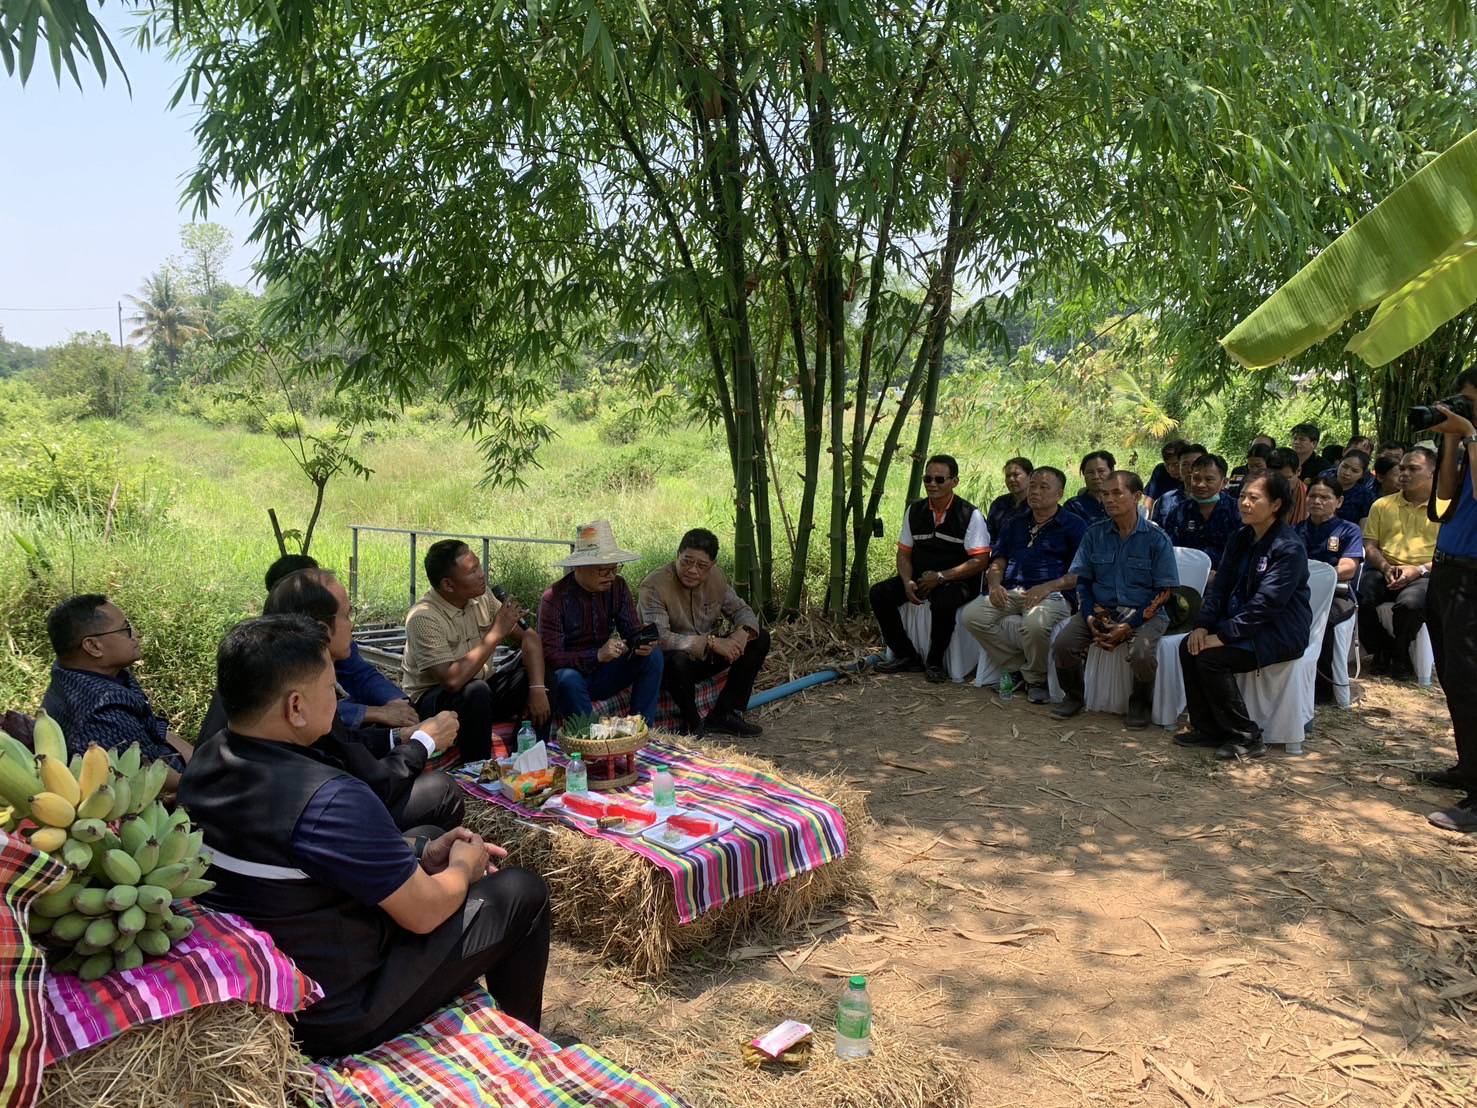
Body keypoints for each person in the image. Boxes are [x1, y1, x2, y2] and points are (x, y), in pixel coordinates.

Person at [180, 614, 550, 1058]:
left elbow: (314, 863)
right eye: (330, 688)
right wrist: (462, 868)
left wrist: (422, 853)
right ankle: (527, 1046)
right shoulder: (326, 798)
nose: (337, 699)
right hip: (335, 1009)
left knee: (428, 834)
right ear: (295, 707)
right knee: (521, 892)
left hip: (275, 971)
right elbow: (425, 913)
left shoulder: (205, 762)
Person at [1174, 473, 1312, 761]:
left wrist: (1222, 636)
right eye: (1242, 497)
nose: (1245, 504)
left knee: (1212, 659)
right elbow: (1220, 587)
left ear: (1275, 505)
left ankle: (1246, 736)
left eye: (1254, 498)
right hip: (1238, 625)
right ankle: (1208, 728)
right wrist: (1202, 626)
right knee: (1189, 647)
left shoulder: (1288, 547)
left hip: (1277, 631)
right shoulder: (1240, 536)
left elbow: (1266, 606)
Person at [1051, 471, 1179, 727]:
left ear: (1137, 497)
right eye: (1104, 494)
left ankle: (1140, 703)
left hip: (1146, 613)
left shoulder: (1156, 538)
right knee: (1064, 643)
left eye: (1117, 493)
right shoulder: (1094, 534)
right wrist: (1088, 616)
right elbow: (1084, 581)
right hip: (1100, 609)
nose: (1109, 499)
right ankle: (1074, 696)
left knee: (1142, 653)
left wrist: (1129, 626)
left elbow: (1165, 591)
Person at [402, 540, 550, 761]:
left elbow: (529, 637)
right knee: (475, 691)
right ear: (448, 585)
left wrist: (537, 688)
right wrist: (496, 633)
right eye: (472, 571)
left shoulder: (484, 597)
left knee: (541, 674)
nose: (482, 575)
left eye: (479, 566)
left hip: (482, 689)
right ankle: (478, 768)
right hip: (436, 701)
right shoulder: (423, 617)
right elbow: (451, 681)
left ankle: (530, 761)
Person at [41, 595, 194, 796]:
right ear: (93, 647)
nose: (135, 634)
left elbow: (153, 728)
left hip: (168, 761)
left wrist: (200, 759)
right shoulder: (99, 712)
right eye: (125, 629)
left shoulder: (84, 672)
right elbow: (159, 780)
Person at [960, 467, 1085, 703]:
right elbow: (998, 560)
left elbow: (1080, 573)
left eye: (1043, 487)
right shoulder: (1015, 523)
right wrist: (995, 584)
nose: (1035, 491)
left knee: (1034, 624)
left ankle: (1036, 680)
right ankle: (1019, 667)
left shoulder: (1074, 525)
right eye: (1033, 485)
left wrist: (1047, 587)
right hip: (1012, 590)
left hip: (1053, 594)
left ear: (1059, 494)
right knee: (971, 615)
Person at [871, 455, 991, 682]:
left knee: (944, 600)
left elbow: (980, 561)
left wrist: (942, 577)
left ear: (954, 481)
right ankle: (907, 655)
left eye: (939, 479)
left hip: (958, 579)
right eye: (928, 479)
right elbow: (904, 552)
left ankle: (935, 661)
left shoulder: (969, 514)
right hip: (921, 575)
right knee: (879, 594)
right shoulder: (914, 511)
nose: (932, 484)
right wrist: (907, 580)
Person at [265, 554, 420, 731]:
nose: (352, 625)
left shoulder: (332, 641)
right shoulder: (273, 659)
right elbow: (311, 711)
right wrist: (376, 713)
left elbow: (360, 674)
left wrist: (399, 702)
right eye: (346, 615)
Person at [639, 528, 770, 737]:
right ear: (677, 556)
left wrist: (742, 633)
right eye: (686, 562)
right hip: (669, 666)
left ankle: (724, 714)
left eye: (701, 566)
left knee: (760, 638)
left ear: (712, 566)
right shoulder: (654, 585)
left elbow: (742, 610)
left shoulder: (716, 578)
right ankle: (692, 723)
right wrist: (711, 643)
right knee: (677, 660)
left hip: (703, 659)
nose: (692, 570)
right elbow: (660, 638)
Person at [539, 520, 663, 724]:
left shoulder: (618, 586)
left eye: (615, 568)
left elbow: (631, 630)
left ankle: (641, 727)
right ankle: (590, 737)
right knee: (566, 678)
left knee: (653, 656)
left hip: (605, 673)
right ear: (580, 567)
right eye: (603, 570)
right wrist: (596, 655)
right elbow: (551, 657)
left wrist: (642, 641)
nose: (611, 576)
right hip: (573, 677)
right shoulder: (554, 599)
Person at [1423, 369, 1477, 831]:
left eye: (1470, 402)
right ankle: (1467, 766)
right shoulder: (1467, 444)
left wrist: (1472, 437)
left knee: (1472, 679)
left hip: (1474, 577)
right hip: (1447, 565)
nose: (1464, 410)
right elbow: (1442, 500)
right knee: (1454, 676)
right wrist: (1452, 444)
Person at [1358, 448, 1444, 681]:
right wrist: (1385, 568)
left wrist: (1418, 570)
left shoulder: (1444, 508)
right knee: (1360, 596)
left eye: (1413, 469)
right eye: (1402, 468)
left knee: (1409, 605)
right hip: (1384, 568)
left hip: (1424, 573)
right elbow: (1370, 545)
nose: (1404, 474)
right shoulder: (1382, 505)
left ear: (1432, 473)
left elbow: (1446, 555)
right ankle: (1384, 648)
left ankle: (1400, 654)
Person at [1296, 477, 1365, 704]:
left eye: (1325, 497)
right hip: (1300, 592)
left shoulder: (1348, 530)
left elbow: (1348, 569)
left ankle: (1323, 689)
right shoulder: (1296, 529)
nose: (1317, 501)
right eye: (1313, 496)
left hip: (1338, 594)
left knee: (1325, 621)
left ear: (1339, 501)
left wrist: (1321, 575)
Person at [1159, 453, 1240, 570]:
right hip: (1183, 577)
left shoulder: (1236, 511)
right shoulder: (1179, 511)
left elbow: (1242, 555)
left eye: (1209, 479)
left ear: (1224, 482)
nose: (1201, 484)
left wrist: (1221, 577)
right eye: (1196, 479)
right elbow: (1169, 550)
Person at [1149, 443, 1205, 524]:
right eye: (1185, 464)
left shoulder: (1224, 502)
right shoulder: (1165, 501)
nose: (1190, 469)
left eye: (1196, 464)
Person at [986, 457, 1033, 544]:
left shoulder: (1037, 505)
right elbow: (988, 535)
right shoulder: (999, 503)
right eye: (1008, 476)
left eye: (1016, 475)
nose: (1011, 479)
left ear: (1030, 476)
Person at [1324, 450, 1376, 524]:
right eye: (1344, 466)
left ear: (1362, 474)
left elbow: (1364, 526)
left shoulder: (1365, 495)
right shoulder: (1323, 483)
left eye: (1354, 471)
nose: (1347, 473)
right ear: (1339, 464)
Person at [1267, 448, 1310, 523]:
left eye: (1286, 478)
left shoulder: (1309, 497)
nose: (1280, 483)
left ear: (1298, 471)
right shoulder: (1260, 493)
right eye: (1275, 478)